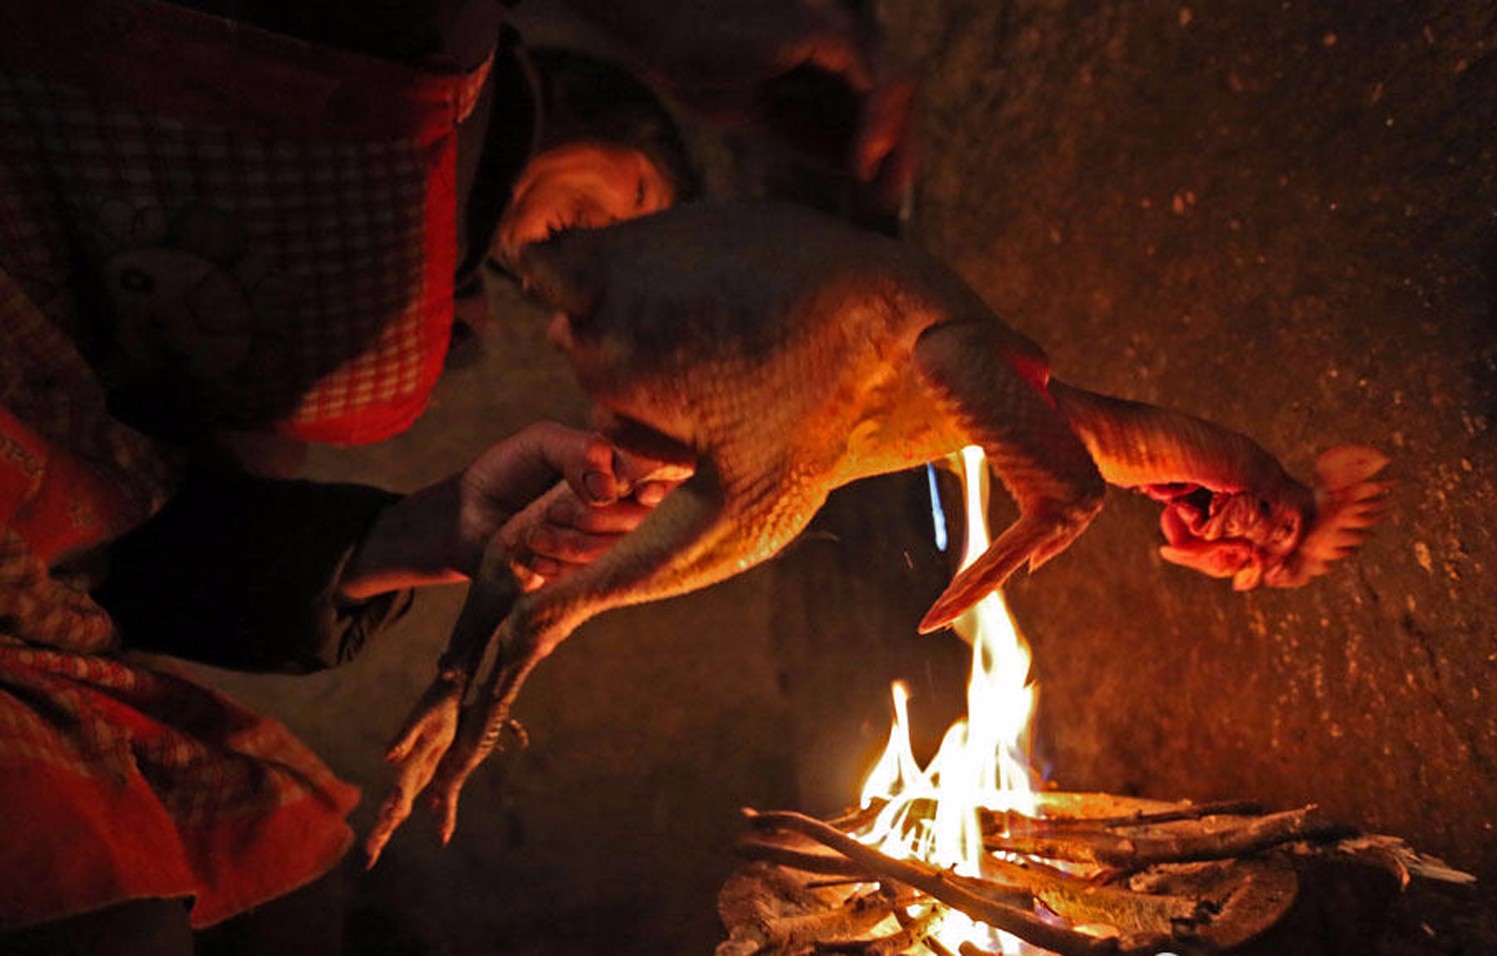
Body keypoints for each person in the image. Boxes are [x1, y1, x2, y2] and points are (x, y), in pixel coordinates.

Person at [0, 0, 914, 953]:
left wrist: (428, 531)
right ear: (594, 112)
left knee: (289, 892)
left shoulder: (384, 333)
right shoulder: (415, 97)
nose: (614, 243)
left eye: (637, 257)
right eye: (637, 196)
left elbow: (135, 549)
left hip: (32, 575)